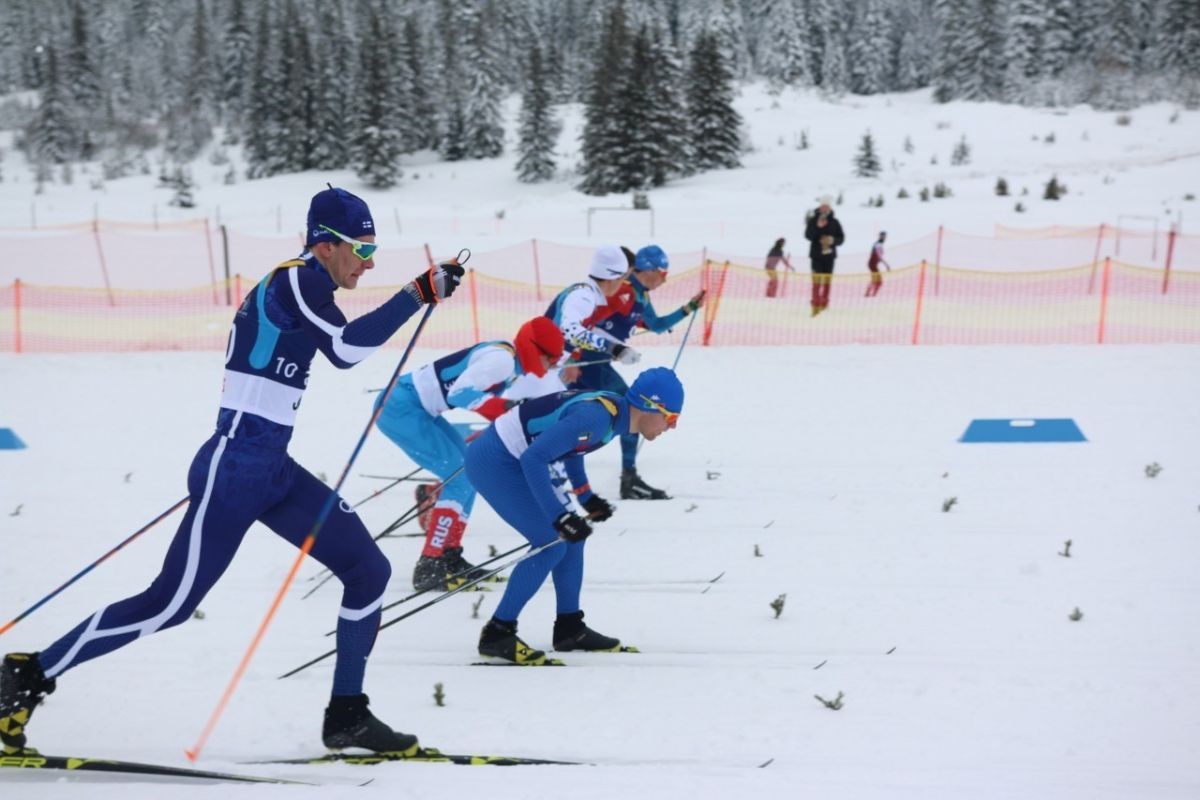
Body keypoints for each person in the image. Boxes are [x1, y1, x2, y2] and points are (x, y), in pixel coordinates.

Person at [0, 187, 465, 756]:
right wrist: (417, 293)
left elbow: (339, 342)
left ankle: (347, 714)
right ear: (326, 246)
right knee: (167, 604)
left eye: (374, 251)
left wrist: (417, 294)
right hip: (235, 467)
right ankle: (24, 678)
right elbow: (345, 349)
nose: (368, 264)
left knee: (367, 569)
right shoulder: (297, 279)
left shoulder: (312, 284)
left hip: (270, 470)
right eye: (362, 250)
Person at [467, 368, 685, 665]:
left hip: (514, 457)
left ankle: (570, 628)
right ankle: (498, 634)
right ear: (650, 406)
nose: (671, 427)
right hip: (495, 461)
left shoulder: (613, 414)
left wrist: (586, 496)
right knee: (551, 542)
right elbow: (535, 458)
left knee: (573, 540)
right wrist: (559, 517)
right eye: (671, 417)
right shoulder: (595, 418)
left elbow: (573, 449)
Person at [374, 317, 565, 592]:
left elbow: (474, 397)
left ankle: (449, 558)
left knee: (469, 472)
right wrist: (505, 407)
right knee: (460, 477)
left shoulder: (509, 363)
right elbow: (459, 392)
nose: (554, 366)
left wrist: (500, 413)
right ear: (536, 350)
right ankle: (430, 563)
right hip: (401, 407)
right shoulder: (503, 361)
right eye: (552, 359)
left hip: (416, 407)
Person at [577, 245, 704, 500]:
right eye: (662, 271)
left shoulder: (639, 295)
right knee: (630, 408)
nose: (665, 278)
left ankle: (629, 476)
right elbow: (584, 322)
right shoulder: (622, 290)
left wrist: (689, 308)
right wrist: (574, 357)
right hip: (585, 365)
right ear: (647, 269)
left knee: (626, 410)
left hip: (599, 364)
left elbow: (656, 325)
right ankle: (628, 477)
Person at [804, 196, 845, 316]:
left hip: (830, 257)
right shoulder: (813, 220)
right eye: (823, 206)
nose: (824, 208)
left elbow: (842, 239)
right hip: (816, 257)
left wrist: (832, 240)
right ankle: (815, 307)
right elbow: (808, 236)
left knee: (827, 282)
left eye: (827, 206)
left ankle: (824, 305)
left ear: (830, 207)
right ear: (820, 207)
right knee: (817, 282)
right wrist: (817, 227)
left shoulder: (835, 222)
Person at [865, 230, 890, 297]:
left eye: (885, 236)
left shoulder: (879, 244)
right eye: (883, 236)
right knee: (878, 281)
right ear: (880, 236)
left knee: (877, 281)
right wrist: (886, 265)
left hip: (873, 264)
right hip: (872, 264)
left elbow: (879, 257)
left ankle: (871, 294)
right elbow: (879, 256)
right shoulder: (878, 245)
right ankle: (871, 294)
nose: (884, 238)